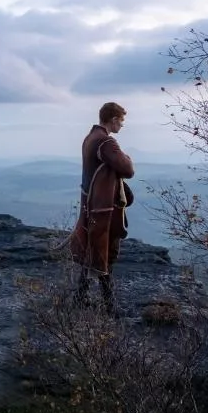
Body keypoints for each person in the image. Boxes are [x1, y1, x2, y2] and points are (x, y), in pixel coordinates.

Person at [69, 102, 135, 316]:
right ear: (114, 120)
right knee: (103, 253)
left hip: (92, 205)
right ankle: (110, 307)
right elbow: (127, 169)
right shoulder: (106, 142)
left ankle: (80, 298)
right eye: (121, 122)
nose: (121, 126)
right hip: (102, 209)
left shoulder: (90, 138)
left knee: (94, 251)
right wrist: (128, 159)